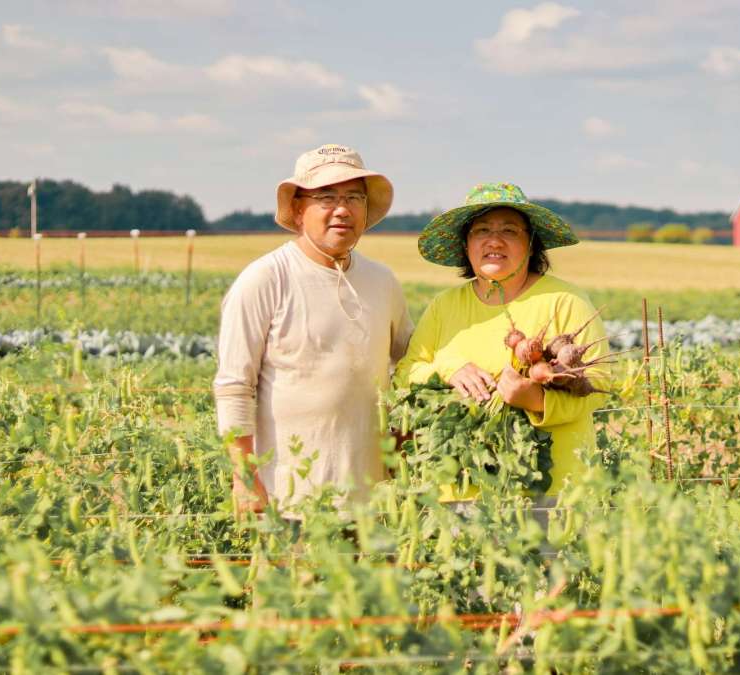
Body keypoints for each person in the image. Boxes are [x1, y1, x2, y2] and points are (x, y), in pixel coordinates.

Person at [214, 144, 413, 515]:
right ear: (298, 209)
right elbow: (234, 386)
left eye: (354, 197)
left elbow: (414, 363)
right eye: (327, 197)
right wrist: (244, 478)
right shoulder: (266, 279)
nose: (343, 209)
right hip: (287, 497)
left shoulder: (382, 281)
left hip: (373, 499)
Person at [394, 182, 609, 500]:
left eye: (509, 231)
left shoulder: (565, 300)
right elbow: (406, 373)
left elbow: (599, 385)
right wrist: (448, 370)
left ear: (532, 244)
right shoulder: (445, 305)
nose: (494, 241)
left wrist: (537, 401)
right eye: (481, 230)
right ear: (466, 244)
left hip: (554, 492)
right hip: (459, 490)